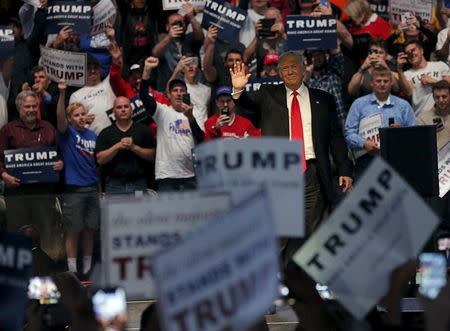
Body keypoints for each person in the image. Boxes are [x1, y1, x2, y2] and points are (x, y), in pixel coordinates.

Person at [230, 51, 353, 239]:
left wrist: (344, 168)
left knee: (316, 232)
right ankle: (282, 268)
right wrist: (238, 90)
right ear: (279, 73)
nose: (289, 71)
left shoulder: (324, 100)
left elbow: (336, 137)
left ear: (304, 69)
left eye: (294, 66)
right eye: (284, 68)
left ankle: (311, 268)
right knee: (280, 234)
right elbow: (246, 104)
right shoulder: (268, 94)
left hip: (313, 173)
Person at [0, 90, 63, 253]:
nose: (31, 110)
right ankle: (17, 274)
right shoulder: (8, 130)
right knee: (16, 231)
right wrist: (4, 175)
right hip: (16, 192)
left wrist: (60, 163)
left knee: (46, 230)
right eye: (27, 106)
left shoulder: (48, 127)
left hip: (44, 192)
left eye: (34, 106)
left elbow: (60, 154)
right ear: (19, 108)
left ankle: (46, 269)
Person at [140, 57, 204, 191]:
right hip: (167, 175)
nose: (179, 94)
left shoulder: (195, 112)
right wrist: (146, 71)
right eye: (175, 90)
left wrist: (191, 118)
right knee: (167, 212)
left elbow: (201, 139)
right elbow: (144, 97)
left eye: (182, 91)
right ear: (168, 95)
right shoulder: (162, 111)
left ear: (187, 94)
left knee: (190, 212)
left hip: (190, 175)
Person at [57, 80, 99, 276]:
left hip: (92, 188)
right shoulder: (68, 133)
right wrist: (62, 94)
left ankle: (88, 268)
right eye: (76, 115)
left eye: (83, 114)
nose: (81, 117)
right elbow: (59, 118)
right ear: (70, 119)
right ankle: (72, 270)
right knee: (73, 231)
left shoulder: (92, 135)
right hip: (74, 189)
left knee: (90, 230)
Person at [344, 66, 416, 180]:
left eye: (386, 81)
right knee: (366, 197)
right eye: (378, 81)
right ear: (372, 82)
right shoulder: (359, 104)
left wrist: (401, 133)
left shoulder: (403, 106)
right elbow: (348, 133)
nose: (382, 84)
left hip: (396, 161)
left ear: (391, 83)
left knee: (396, 198)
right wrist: (364, 143)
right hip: (366, 161)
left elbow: (414, 135)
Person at [95, 96, 156, 194]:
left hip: (138, 183)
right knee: (114, 210)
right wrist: (117, 146)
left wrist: (134, 147)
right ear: (113, 112)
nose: (123, 110)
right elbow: (100, 160)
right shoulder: (105, 133)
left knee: (139, 210)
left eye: (126, 107)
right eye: (119, 107)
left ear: (131, 110)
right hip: (113, 184)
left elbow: (153, 156)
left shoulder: (144, 130)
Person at [397, 40, 450, 115]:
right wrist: (399, 69)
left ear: (421, 51)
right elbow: (408, 92)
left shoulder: (439, 65)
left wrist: (434, 82)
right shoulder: (406, 74)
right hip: (421, 116)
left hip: (444, 114)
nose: (411, 54)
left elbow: (449, 87)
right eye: (408, 53)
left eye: (413, 50)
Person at [69, 55, 116, 134]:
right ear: (82, 71)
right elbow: (72, 121)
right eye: (89, 69)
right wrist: (82, 119)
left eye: (95, 68)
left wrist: (117, 57)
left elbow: (117, 65)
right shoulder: (76, 95)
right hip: (93, 138)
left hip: (116, 134)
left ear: (100, 69)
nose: (93, 71)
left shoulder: (110, 82)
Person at [168, 55, 211, 129]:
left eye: (193, 63)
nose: (190, 66)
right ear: (182, 69)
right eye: (187, 64)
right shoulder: (180, 89)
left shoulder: (207, 90)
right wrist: (177, 70)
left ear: (198, 67)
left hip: (202, 132)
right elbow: (168, 91)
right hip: (185, 130)